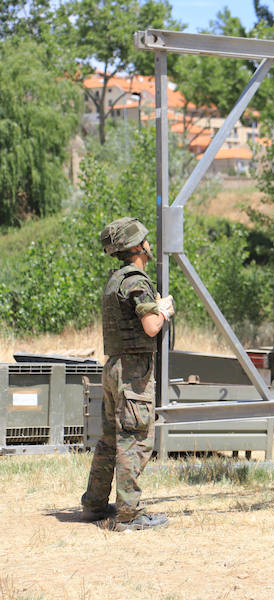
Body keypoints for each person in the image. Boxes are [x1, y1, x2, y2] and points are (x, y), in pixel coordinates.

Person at [82, 217, 173, 532]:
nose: (150, 245)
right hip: (132, 371)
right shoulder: (136, 280)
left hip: (113, 368)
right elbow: (150, 327)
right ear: (137, 246)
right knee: (133, 440)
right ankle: (128, 516)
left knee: (109, 440)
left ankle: (94, 505)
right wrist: (163, 310)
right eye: (145, 240)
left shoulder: (114, 280)